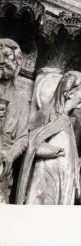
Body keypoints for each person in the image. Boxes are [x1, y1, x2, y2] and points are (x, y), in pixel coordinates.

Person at [16, 71, 81, 204]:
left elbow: (67, 159)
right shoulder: (46, 113)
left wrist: (80, 162)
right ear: (68, 92)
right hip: (44, 182)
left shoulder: (69, 122)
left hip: (64, 183)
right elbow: (30, 143)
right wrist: (51, 150)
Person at [0, 39, 27, 204]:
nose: (1, 60)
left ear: (16, 63)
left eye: (7, 56)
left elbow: (23, 138)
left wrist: (9, 156)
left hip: (2, 169)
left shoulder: (21, 99)